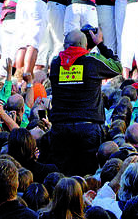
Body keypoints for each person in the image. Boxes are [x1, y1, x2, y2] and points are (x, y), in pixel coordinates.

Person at [47, 27, 121, 174]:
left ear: (65, 45)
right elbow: (117, 66)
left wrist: (83, 45)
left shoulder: (55, 65)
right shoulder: (92, 62)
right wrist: (99, 43)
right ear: (84, 45)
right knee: (88, 175)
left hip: (61, 128)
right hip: (88, 128)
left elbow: (73, 56)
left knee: (63, 177)